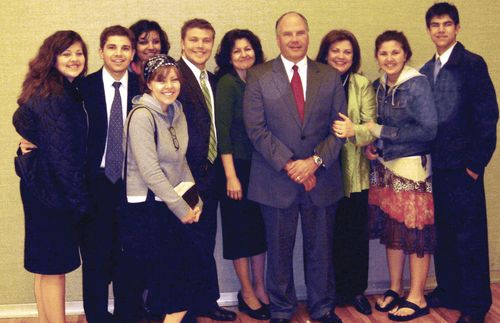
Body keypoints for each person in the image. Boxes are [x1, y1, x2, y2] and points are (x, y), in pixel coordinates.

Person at [244, 11, 346, 323]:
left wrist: (314, 162)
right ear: (278, 38)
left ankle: (322, 307)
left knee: (320, 249)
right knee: (278, 251)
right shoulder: (259, 76)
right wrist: (291, 166)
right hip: (275, 179)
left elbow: (339, 128)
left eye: (300, 32)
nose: (294, 39)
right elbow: (256, 129)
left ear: (308, 35)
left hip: (321, 177)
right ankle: (282, 308)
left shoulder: (328, 75)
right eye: (287, 34)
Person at [420, 3, 499, 323]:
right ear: (429, 30)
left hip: (463, 168)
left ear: (457, 28)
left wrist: (475, 164)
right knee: (444, 234)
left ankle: (475, 304)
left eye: (447, 24)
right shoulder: (426, 70)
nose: (441, 29)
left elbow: (488, 115)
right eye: (435, 25)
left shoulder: (472, 64)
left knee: (469, 237)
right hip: (435, 167)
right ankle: (450, 289)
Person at [122, 54, 206, 323]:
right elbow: (150, 172)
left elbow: (180, 162)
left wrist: (196, 200)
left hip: (170, 204)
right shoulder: (141, 117)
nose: (169, 86)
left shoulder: (176, 111)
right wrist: (181, 208)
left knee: (183, 273)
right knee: (169, 279)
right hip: (148, 208)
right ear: (148, 83)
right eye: (161, 80)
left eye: (174, 80)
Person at [13, 30, 89, 323]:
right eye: (66, 53)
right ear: (52, 57)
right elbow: (63, 159)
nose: (74, 59)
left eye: (79, 53)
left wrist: (29, 151)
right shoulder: (56, 95)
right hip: (53, 193)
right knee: (55, 268)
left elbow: (28, 125)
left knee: (44, 266)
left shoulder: (54, 88)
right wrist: (79, 203)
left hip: (40, 188)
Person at [365, 30, 437, 321]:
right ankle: (395, 288)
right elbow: (373, 124)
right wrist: (373, 145)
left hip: (412, 169)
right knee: (394, 228)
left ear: (405, 54)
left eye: (395, 52)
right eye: (383, 53)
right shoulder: (378, 85)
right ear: (377, 58)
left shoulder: (417, 84)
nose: (389, 58)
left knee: (416, 231)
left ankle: (417, 296)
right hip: (385, 167)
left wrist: (382, 133)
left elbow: (429, 130)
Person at [78, 25, 141, 322]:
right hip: (95, 183)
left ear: (132, 52)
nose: (119, 54)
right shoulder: (82, 88)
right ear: (101, 50)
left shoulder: (144, 87)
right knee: (95, 258)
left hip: (133, 183)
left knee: (129, 256)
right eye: (112, 47)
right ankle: (97, 317)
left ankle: (127, 315)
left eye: (125, 48)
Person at [176, 18, 236, 322]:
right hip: (183, 176)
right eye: (195, 40)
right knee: (185, 244)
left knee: (205, 241)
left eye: (206, 40)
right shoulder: (173, 76)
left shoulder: (213, 80)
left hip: (211, 175)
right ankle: (184, 309)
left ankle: (206, 302)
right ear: (183, 42)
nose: (201, 46)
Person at [316, 29, 376, 316]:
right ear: (325, 53)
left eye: (347, 51)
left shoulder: (362, 84)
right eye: (335, 50)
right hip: (321, 171)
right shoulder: (313, 81)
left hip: (354, 172)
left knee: (354, 234)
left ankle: (355, 290)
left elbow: (372, 128)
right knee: (325, 237)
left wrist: (355, 131)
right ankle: (329, 293)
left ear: (354, 57)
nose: (341, 56)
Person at [214, 29, 269, 320]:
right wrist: (231, 176)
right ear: (228, 56)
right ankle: (246, 292)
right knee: (239, 234)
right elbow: (222, 132)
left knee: (259, 232)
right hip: (235, 169)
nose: (244, 55)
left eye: (248, 49)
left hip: (262, 169)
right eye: (237, 51)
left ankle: (261, 288)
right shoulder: (227, 83)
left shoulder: (261, 80)